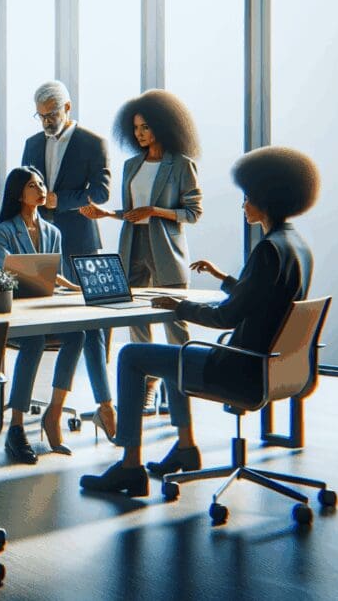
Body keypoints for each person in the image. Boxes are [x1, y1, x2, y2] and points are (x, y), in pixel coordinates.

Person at [80, 146, 319, 496]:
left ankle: (130, 466)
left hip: (240, 370)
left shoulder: (267, 249)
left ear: (267, 199)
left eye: (248, 197)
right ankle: (186, 447)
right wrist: (225, 278)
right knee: (175, 357)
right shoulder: (295, 244)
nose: (243, 204)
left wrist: (180, 306)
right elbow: (267, 299)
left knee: (133, 355)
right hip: (274, 367)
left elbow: (226, 316)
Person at [81, 89, 204, 424]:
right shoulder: (132, 165)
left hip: (166, 251)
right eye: (135, 128)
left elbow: (192, 213)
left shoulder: (181, 165)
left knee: (175, 321)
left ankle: (180, 386)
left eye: (145, 126)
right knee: (136, 318)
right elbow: (133, 214)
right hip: (133, 247)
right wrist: (106, 214)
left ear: (163, 126)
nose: (139, 133)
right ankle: (149, 383)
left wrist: (155, 210)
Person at [0, 167, 111, 462]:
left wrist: (75, 288)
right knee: (33, 341)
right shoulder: (4, 231)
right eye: (34, 185)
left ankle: (55, 412)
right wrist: (43, 279)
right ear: (20, 194)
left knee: (80, 334)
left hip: (46, 309)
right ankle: (16, 428)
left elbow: (54, 276)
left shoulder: (53, 232)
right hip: (18, 314)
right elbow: (2, 274)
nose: (42, 189)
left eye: (42, 184)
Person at [21, 80, 112, 426]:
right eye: (41, 115)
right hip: (40, 244)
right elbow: (21, 188)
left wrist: (63, 201)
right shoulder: (31, 144)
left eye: (52, 114)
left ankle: (105, 405)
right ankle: (36, 410)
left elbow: (101, 193)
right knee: (37, 326)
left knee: (91, 328)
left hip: (80, 245)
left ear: (68, 109)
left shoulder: (93, 142)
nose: (46, 121)